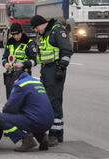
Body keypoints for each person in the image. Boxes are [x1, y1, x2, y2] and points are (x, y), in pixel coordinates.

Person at [30, 15, 73, 146]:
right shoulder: (45, 33)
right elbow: (41, 55)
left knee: (54, 100)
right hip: (46, 70)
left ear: (42, 24)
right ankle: (59, 133)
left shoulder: (57, 31)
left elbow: (67, 50)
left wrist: (61, 68)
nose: (36, 30)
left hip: (55, 70)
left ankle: (54, 134)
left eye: (36, 27)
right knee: (50, 100)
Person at [0, 72, 54, 152]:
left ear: (16, 79)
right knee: (31, 114)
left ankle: (26, 140)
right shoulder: (37, 82)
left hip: (36, 121)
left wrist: (6, 110)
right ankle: (42, 137)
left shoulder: (20, 85)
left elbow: (10, 107)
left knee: (2, 117)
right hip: (49, 121)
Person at [2, 23, 37, 99]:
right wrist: (5, 64)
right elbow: (4, 58)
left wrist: (23, 64)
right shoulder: (10, 42)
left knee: (22, 100)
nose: (15, 37)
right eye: (13, 35)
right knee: (10, 99)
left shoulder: (28, 43)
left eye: (17, 34)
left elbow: (35, 61)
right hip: (10, 75)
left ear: (21, 32)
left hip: (23, 75)